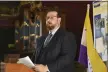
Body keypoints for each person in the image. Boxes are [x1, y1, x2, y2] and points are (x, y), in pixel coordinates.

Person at [31, 7, 77, 72]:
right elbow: (35, 57)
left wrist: (47, 68)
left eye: (52, 17)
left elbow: (67, 57)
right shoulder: (41, 39)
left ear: (59, 20)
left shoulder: (67, 36)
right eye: (47, 18)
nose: (48, 20)